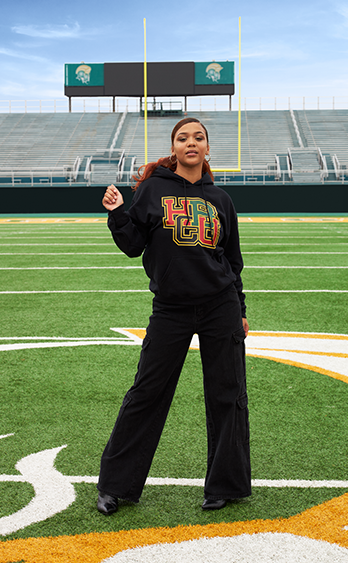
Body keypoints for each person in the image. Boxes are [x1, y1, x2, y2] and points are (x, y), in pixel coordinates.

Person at [97, 117, 251, 515]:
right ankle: (116, 486)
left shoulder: (221, 200)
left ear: (207, 148)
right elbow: (133, 245)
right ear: (175, 148)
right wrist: (117, 213)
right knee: (146, 392)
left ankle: (225, 485)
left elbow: (232, 262)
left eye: (198, 137)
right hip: (171, 308)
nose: (191, 143)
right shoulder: (152, 189)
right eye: (183, 138)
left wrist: (242, 310)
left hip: (220, 306)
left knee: (227, 394)